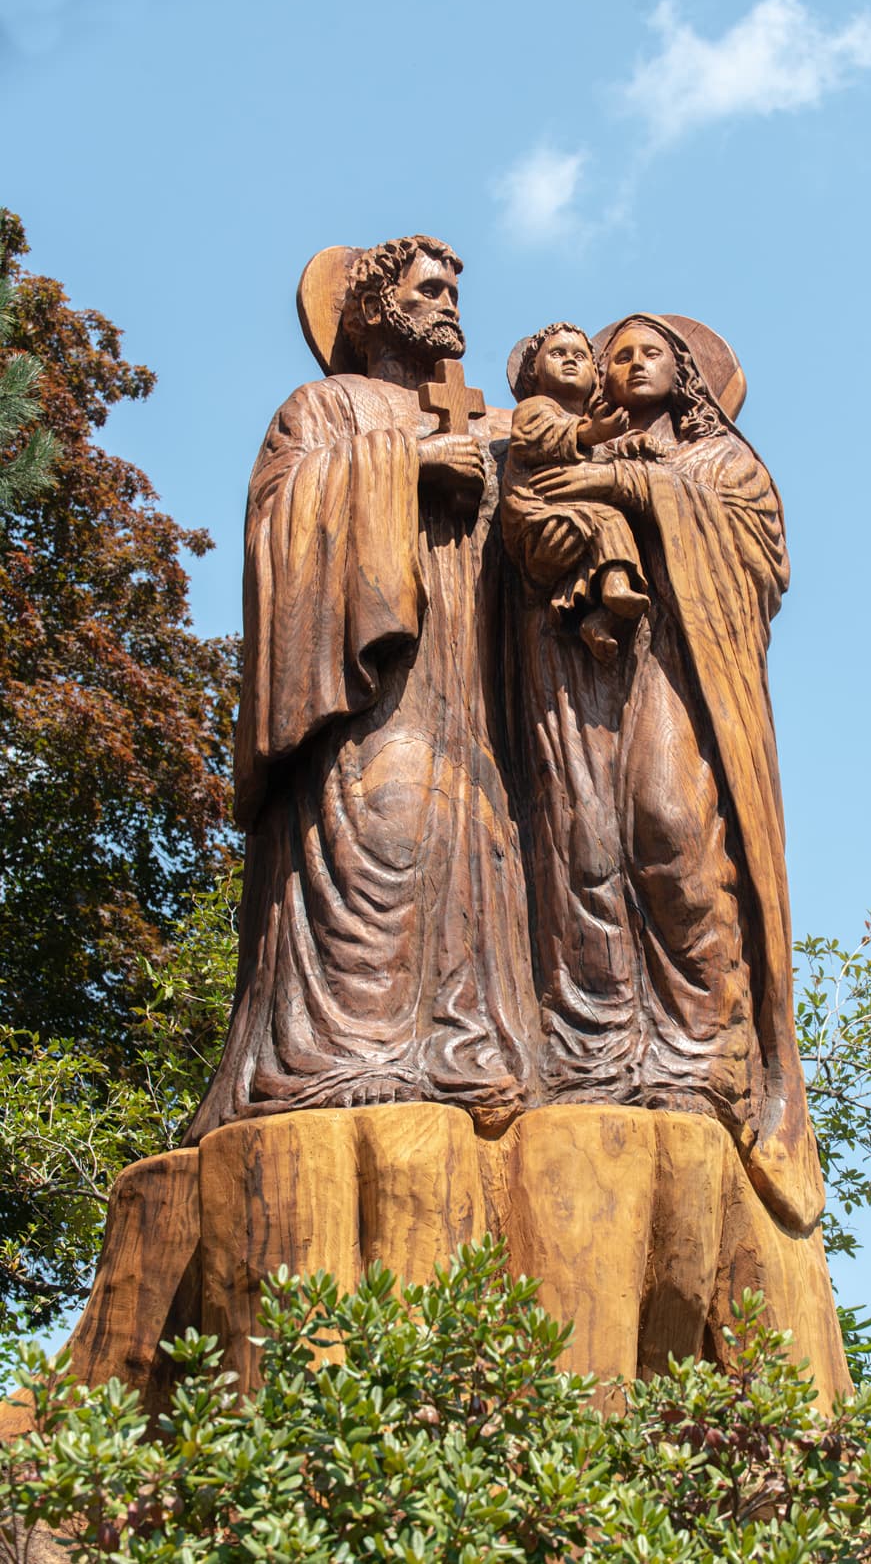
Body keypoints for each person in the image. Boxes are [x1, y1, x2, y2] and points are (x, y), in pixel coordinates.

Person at [185, 236, 539, 1143]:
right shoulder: (323, 405)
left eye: (458, 288)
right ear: (376, 308)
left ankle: (466, 1048)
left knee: (471, 845)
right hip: (373, 683)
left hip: (473, 683)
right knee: (382, 825)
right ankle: (346, 1050)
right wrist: (406, 466)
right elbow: (282, 518)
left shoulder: (483, 419)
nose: (451, 303)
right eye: (430, 288)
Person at [512, 312, 824, 1232]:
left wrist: (630, 485)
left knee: (673, 828)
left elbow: (761, 560)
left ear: (686, 369)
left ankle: (710, 1051)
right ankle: (604, 1040)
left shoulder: (724, 460)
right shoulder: (577, 440)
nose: (628, 363)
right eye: (617, 355)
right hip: (590, 673)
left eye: (649, 351)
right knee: (589, 846)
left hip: (688, 669)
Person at [501, 322, 649, 663]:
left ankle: (601, 619)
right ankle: (612, 589)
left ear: (596, 377)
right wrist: (590, 433)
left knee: (609, 524)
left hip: (578, 527)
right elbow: (535, 438)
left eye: (580, 356)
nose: (570, 361)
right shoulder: (535, 408)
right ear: (531, 372)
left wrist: (633, 442)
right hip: (536, 522)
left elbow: (610, 450)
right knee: (604, 520)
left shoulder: (593, 423)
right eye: (557, 353)